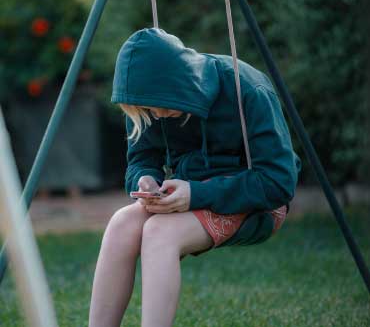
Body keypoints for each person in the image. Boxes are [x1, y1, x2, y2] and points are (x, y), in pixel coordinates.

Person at [88, 28, 301, 327]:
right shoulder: (148, 99)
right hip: (192, 198)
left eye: (162, 105)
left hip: (258, 203)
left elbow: (279, 183)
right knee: (121, 224)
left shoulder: (249, 90)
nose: (157, 114)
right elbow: (141, 158)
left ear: (180, 83)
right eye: (148, 108)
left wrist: (196, 194)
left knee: (159, 233)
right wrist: (145, 180)